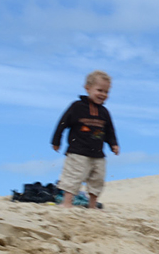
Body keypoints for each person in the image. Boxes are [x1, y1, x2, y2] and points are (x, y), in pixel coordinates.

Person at [51, 70, 120, 209]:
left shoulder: (104, 112)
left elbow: (110, 130)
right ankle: (67, 203)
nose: (103, 95)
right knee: (73, 177)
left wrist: (113, 144)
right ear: (87, 88)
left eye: (106, 92)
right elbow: (63, 123)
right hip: (77, 151)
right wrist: (56, 140)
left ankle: (92, 205)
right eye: (99, 90)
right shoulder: (77, 107)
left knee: (97, 179)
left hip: (98, 154)